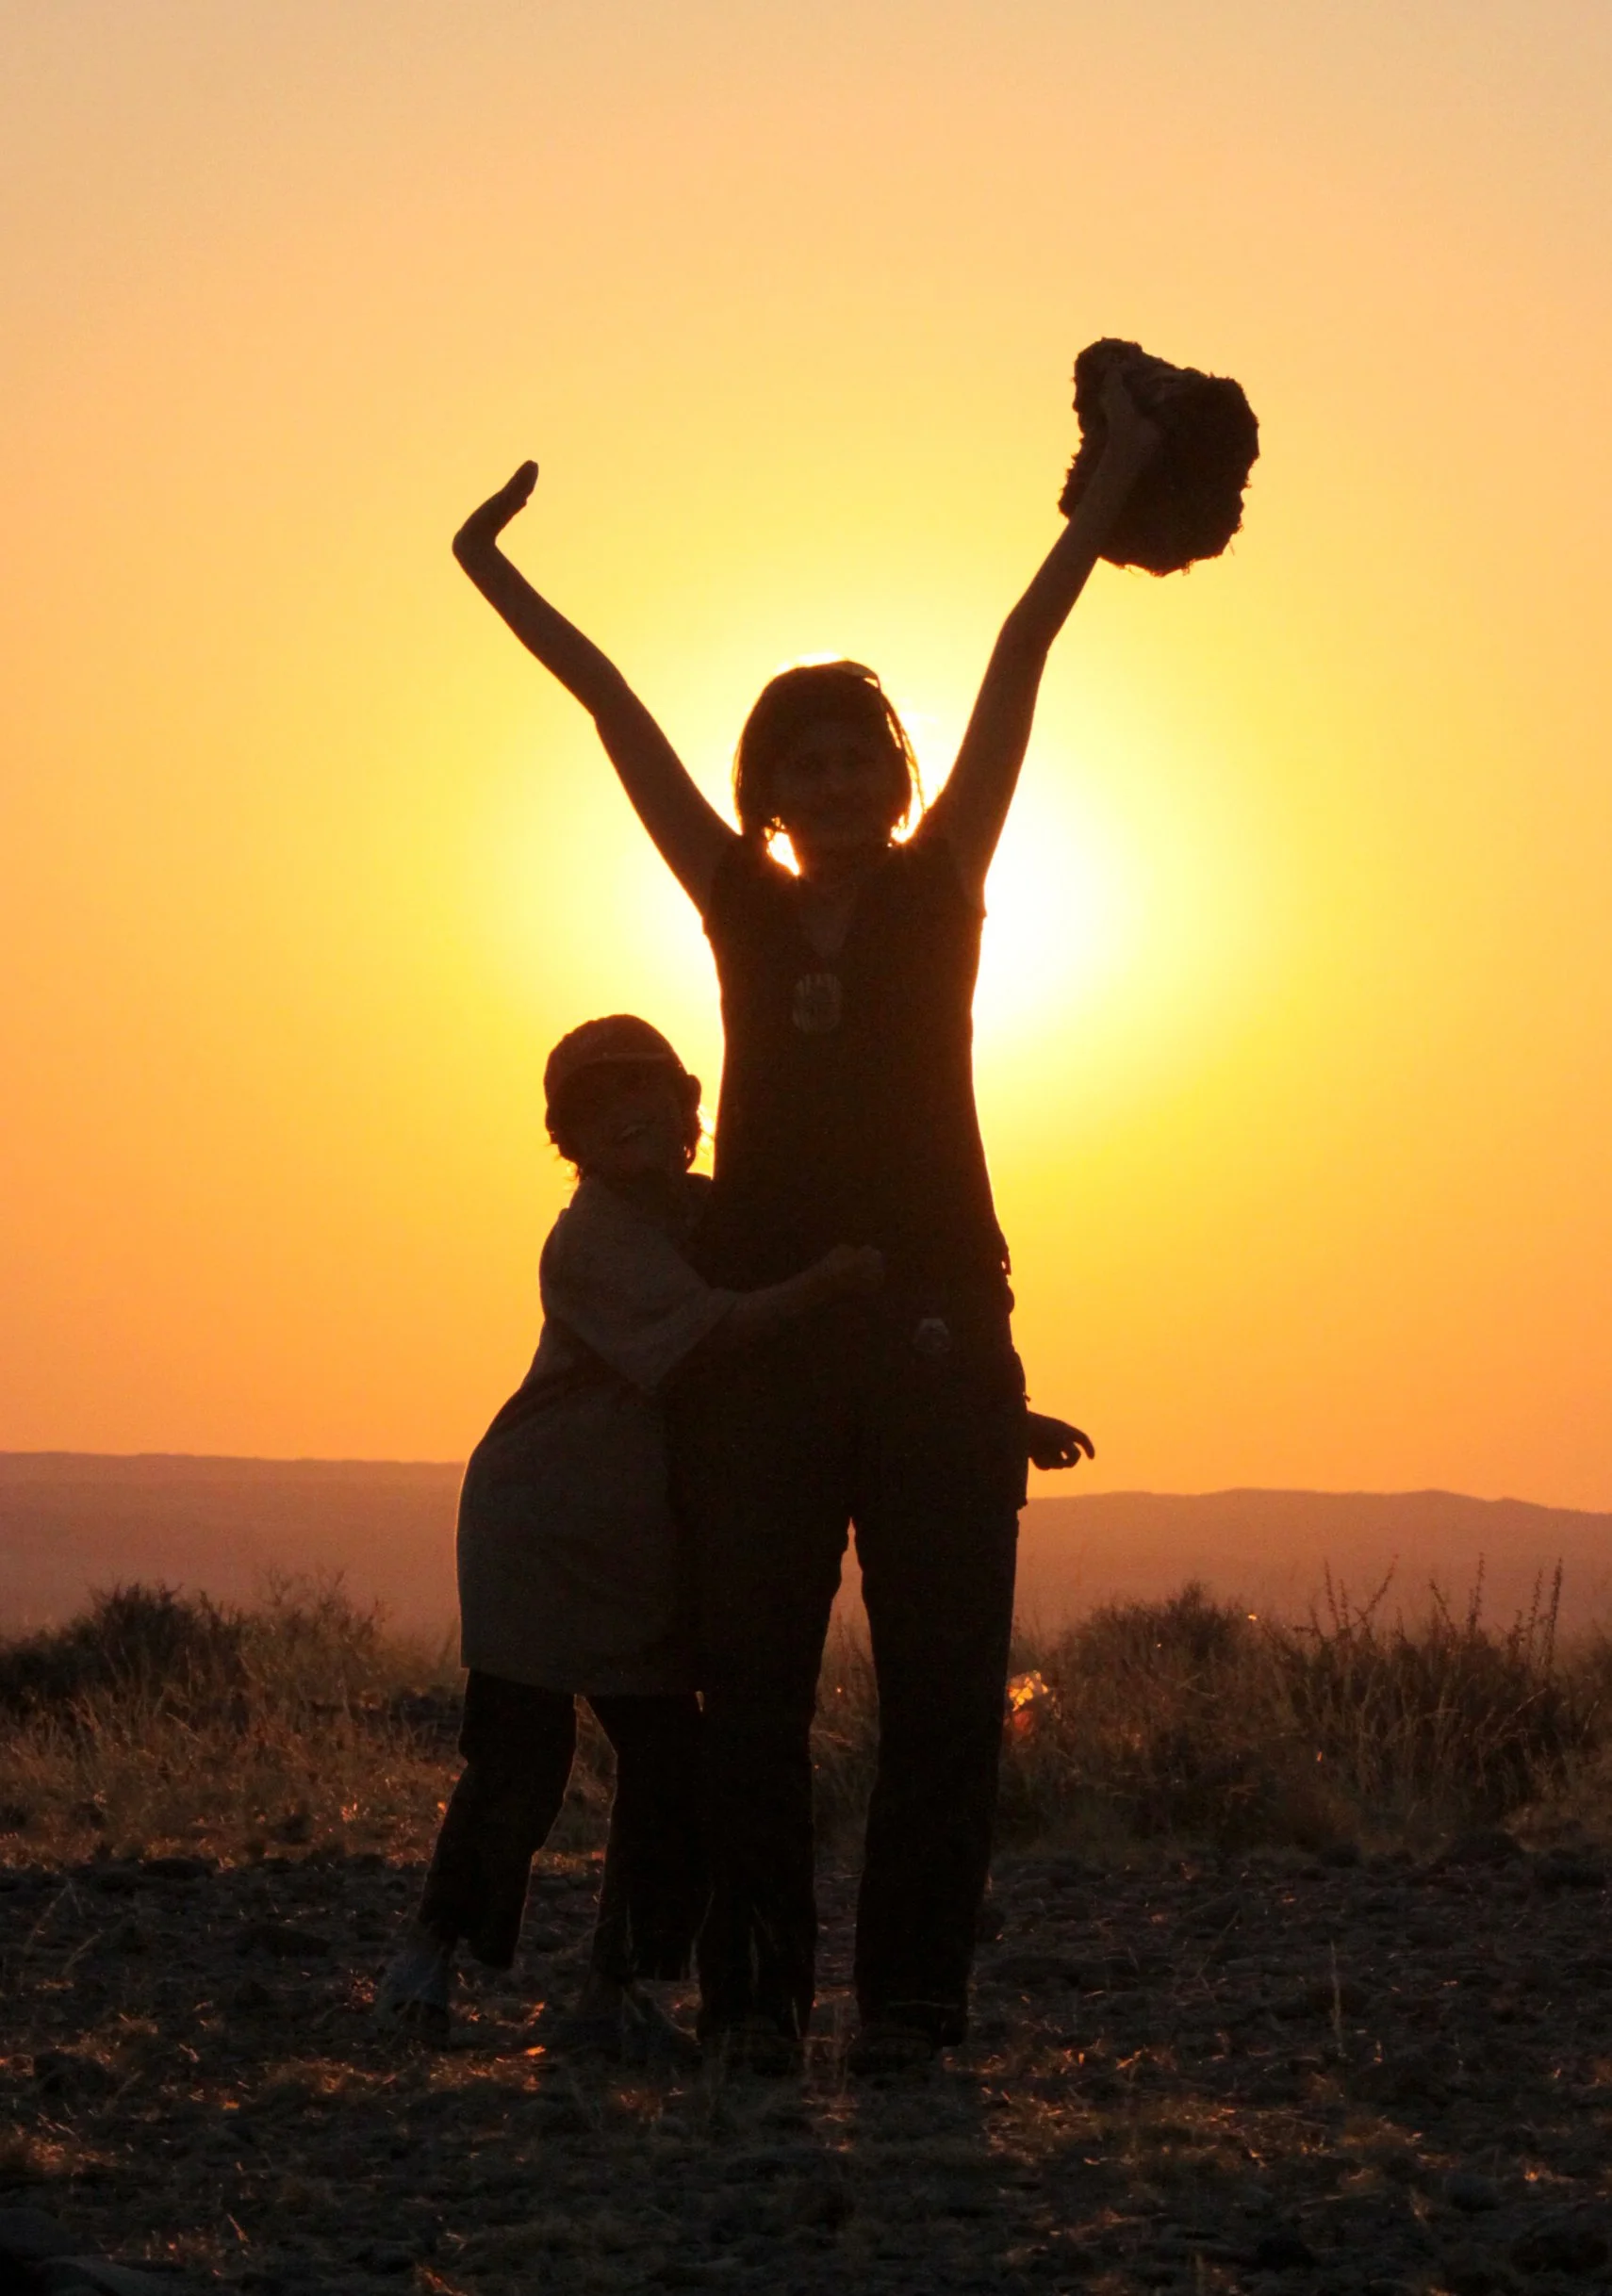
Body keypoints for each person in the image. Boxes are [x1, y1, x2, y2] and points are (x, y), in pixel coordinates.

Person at [450, 371, 1157, 2070]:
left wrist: (1112, 490)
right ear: (766, 790)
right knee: (748, 1697)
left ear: (902, 782)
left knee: (940, 1705)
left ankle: (912, 2016)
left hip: (934, 1334)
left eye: (864, 754)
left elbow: (1019, 655)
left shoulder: (945, 885)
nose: (839, 776)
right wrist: (489, 569)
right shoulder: (737, 902)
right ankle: (754, 2006)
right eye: (805, 758)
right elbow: (615, 710)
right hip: (763, 1358)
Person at [376, 1013, 883, 2051]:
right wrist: (827, 1285)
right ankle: (424, 1966)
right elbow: (716, 1336)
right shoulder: (597, 1235)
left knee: (667, 1762)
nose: (639, 1118)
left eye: (655, 1096)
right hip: (547, 1528)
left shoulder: (692, 1217)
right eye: (608, 1105)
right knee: (523, 1755)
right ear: (573, 1134)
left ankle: (616, 1988)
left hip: (631, 1542)